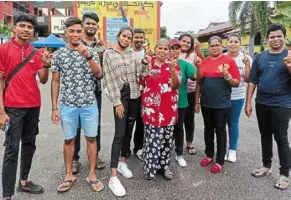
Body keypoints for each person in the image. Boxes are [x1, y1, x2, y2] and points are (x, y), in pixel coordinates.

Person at [0, 14, 51, 200]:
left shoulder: (35, 52)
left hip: (33, 105)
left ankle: (24, 181)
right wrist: (1, 111)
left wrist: (46, 65)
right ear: (14, 28)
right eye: (22, 25)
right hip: (13, 107)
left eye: (29, 27)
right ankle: (6, 194)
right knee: (11, 149)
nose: (26, 30)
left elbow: (43, 80)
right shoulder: (3, 49)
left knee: (29, 144)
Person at [51, 17, 104, 193]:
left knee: (91, 138)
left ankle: (92, 174)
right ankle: (68, 174)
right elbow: (56, 82)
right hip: (68, 104)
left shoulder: (91, 51)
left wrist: (88, 56)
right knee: (68, 139)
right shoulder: (59, 54)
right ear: (66, 33)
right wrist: (54, 107)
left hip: (89, 103)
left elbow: (98, 74)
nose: (75, 34)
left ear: (83, 32)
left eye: (78, 31)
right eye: (71, 31)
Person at [245, 23, 291, 190]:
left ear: (284, 37)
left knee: (281, 138)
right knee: (265, 136)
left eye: (279, 36)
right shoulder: (260, 57)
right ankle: (266, 166)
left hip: (282, 104)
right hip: (262, 103)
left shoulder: (289, 55)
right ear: (267, 39)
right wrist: (248, 102)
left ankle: (285, 174)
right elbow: (253, 80)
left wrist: (290, 67)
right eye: (272, 37)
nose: (275, 39)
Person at [102, 27, 146, 197]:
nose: (127, 39)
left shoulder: (131, 55)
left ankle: (122, 162)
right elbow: (109, 79)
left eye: (130, 37)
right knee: (119, 133)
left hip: (135, 95)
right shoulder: (109, 54)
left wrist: (144, 64)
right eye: (124, 36)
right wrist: (116, 102)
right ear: (118, 36)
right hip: (121, 97)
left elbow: (140, 75)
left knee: (129, 129)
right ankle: (113, 177)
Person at [195, 36, 240, 173]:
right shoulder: (204, 62)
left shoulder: (229, 61)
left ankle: (220, 160)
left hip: (222, 103)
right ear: (208, 48)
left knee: (220, 130)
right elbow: (199, 82)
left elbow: (237, 82)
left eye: (217, 45)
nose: (214, 48)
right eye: (211, 46)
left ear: (222, 46)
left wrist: (227, 76)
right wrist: (197, 101)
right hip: (206, 103)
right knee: (208, 129)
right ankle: (209, 155)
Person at [141, 38, 180, 180]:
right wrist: (144, 65)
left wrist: (173, 72)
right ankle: (150, 169)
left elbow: (175, 85)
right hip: (151, 110)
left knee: (166, 141)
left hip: (169, 109)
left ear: (169, 51)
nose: (162, 51)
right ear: (155, 49)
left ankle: (164, 167)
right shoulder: (147, 62)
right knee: (152, 140)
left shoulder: (173, 64)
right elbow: (140, 79)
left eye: (165, 49)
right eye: (160, 48)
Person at [72, 12, 106, 174]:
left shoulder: (101, 46)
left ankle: (96, 155)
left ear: (97, 27)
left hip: (95, 90)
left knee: (95, 126)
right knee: (76, 125)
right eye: (88, 23)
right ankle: (74, 159)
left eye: (94, 24)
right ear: (83, 25)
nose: (91, 26)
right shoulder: (76, 43)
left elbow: (103, 69)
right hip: (77, 92)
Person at [224, 33, 252, 162]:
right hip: (222, 96)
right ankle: (222, 149)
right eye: (231, 41)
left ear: (240, 44)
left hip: (237, 96)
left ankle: (232, 150)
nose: (233, 44)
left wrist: (246, 65)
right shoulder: (222, 57)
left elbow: (247, 79)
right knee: (220, 124)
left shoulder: (246, 58)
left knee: (233, 123)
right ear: (227, 43)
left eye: (236, 41)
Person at [170, 38, 197, 167]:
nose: (174, 51)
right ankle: (163, 152)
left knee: (179, 128)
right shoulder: (160, 63)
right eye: (172, 48)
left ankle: (179, 154)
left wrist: (200, 66)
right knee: (165, 128)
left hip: (180, 101)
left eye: (177, 48)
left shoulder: (185, 64)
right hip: (164, 102)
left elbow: (197, 76)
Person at [178, 33, 204, 158]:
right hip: (175, 92)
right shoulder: (174, 53)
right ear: (179, 41)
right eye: (184, 41)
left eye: (189, 42)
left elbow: (202, 66)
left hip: (190, 92)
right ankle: (175, 143)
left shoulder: (194, 55)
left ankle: (189, 143)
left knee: (189, 119)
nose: (186, 44)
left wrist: (198, 51)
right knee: (176, 120)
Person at [121, 28, 145, 161]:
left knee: (141, 123)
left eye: (141, 37)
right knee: (128, 123)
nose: (139, 40)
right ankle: (125, 150)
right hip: (129, 94)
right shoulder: (127, 53)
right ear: (132, 39)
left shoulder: (149, 54)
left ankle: (139, 148)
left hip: (145, 94)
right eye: (136, 37)